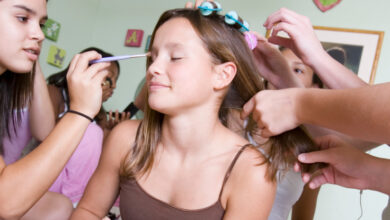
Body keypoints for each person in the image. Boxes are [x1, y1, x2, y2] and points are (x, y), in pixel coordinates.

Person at [71, 4, 323, 219]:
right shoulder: (126, 138)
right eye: (153, 56)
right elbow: (89, 211)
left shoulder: (251, 172)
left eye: (176, 57)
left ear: (222, 75)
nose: (154, 68)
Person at [0, 0, 111, 219]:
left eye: (41, 24)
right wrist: (81, 111)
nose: (39, 35)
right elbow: (4, 202)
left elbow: (44, 131)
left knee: (59, 206)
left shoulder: (12, 80)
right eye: (22, 18)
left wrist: (30, 54)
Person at [46, 47, 130, 205]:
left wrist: (111, 132)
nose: (114, 87)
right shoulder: (54, 93)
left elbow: (94, 157)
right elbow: (46, 135)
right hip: (51, 169)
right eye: (109, 79)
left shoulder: (99, 114)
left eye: (115, 82)